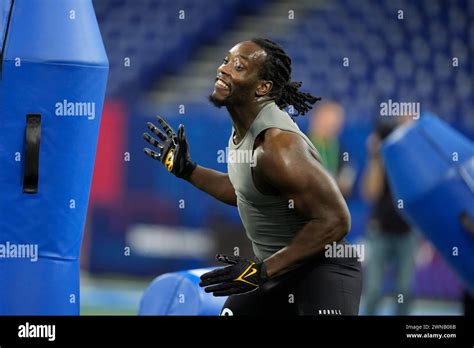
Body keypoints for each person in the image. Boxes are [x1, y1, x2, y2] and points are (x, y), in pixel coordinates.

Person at [143, 38, 362, 315]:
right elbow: (243, 192)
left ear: (262, 87)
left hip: (322, 271)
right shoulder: (243, 129)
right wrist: (188, 170)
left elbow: (335, 221)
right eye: (225, 61)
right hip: (273, 270)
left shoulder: (279, 146)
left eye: (238, 66)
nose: (223, 69)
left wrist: (262, 271)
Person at [361, 118, 417, 315]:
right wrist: (376, 156)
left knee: (404, 290)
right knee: (374, 290)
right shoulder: (382, 156)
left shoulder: (415, 160)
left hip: (407, 231)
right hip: (380, 229)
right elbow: (371, 193)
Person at [308, 101, 356, 197]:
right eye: (326, 121)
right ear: (315, 119)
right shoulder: (300, 144)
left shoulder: (342, 151)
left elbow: (345, 184)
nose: (330, 127)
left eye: (335, 123)